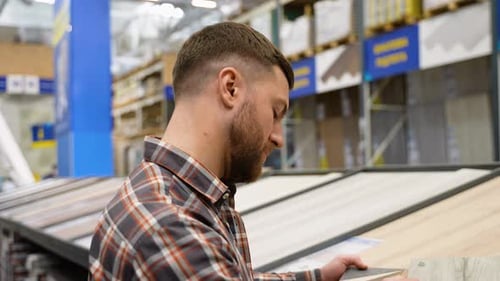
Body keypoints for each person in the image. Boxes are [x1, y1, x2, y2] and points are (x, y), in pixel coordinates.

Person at [89, 22, 417, 281]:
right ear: (230, 88)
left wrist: (316, 277)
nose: (279, 138)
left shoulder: (169, 191)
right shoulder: (170, 225)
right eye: (275, 112)